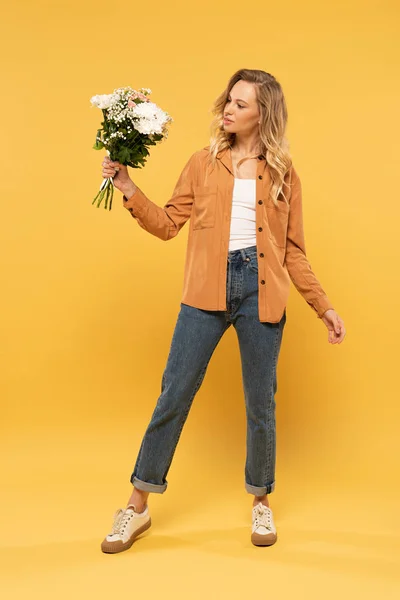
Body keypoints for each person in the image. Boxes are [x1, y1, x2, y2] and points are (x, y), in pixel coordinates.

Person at [100, 69, 346, 554]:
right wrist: (128, 187)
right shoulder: (201, 163)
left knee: (261, 404)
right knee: (174, 395)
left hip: (262, 291)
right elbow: (170, 223)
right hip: (204, 292)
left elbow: (293, 251)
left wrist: (324, 306)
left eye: (241, 104)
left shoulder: (283, 173)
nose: (228, 110)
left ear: (263, 114)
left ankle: (261, 501)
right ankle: (136, 507)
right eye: (228, 101)